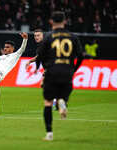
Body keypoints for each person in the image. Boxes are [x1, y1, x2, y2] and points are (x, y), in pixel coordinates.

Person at [36, 11, 84, 141]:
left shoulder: (48, 37)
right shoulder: (73, 37)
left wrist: (43, 67)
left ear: (51, 21)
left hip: (52, 71)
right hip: (67, 71)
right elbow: (81, 56)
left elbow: (40, 56)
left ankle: (49, 134)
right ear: (65, 21)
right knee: (62, 95)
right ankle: (62, 100)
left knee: (47, 103)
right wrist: (74, 69)